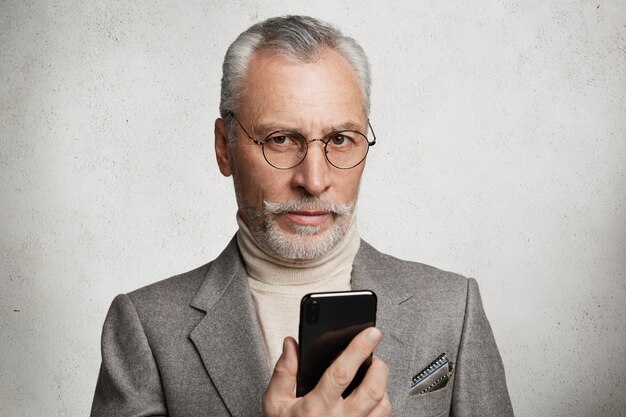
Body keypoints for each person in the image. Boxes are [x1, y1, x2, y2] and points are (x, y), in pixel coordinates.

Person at [90, 15, 514, 417]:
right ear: (225, 147)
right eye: (281, 139)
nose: (314, 180)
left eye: (341, 139)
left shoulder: (452, 309)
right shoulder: (145, 329)